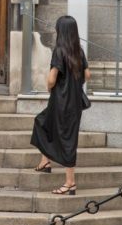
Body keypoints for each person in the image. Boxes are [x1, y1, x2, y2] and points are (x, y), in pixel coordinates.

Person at [30, 15, 91, 195]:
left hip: (60, 101)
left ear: (60, 31)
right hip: (74, 103)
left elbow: (51, 79)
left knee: (66, 139)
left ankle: (70, 182)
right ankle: (45, 161)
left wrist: (50, 87)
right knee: (43, 122)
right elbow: (88, 76)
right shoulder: (78, 51)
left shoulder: (59, 51)